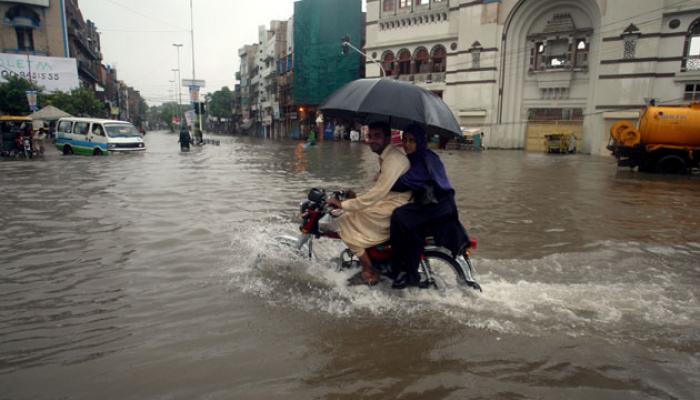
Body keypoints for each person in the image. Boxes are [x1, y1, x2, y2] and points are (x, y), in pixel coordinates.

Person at [326, 122, 411, 286]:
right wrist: (354, 197)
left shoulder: (394, 160)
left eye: (377, 136)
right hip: (390, 202)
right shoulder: (388, 157)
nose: (372, 140)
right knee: (352, 213)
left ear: (387, 138)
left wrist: (343, 204)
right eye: (369, 136)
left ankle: (368, 270)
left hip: (392, 208)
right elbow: (378, 190)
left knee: (343, 222)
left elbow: (377, 193)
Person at [389, 124, 469, 289]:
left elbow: (401, 183)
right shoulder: (428, 156)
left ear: (420, 142)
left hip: (436, 209)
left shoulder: (421, 160)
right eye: (404, 140)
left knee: (398, 217)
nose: (407, 144)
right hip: (441, 206)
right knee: (411, 226)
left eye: (412, 141)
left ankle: (403, 271)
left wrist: (383, 178)